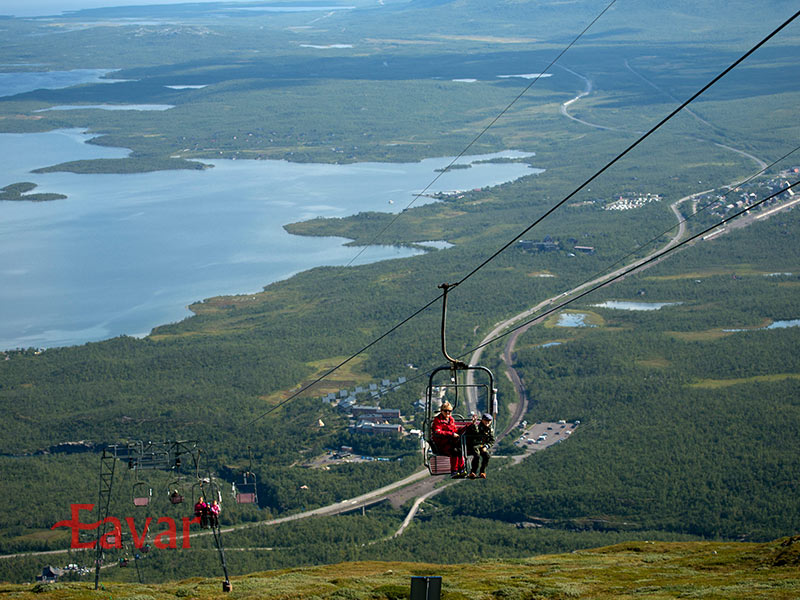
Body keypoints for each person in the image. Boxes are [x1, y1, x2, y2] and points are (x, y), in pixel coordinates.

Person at [431, 401, 466, 475]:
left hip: (451, 441)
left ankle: (461, 469)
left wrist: (463, 429)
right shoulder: (438, 420)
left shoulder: (451, 419)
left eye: (449, 411)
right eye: (446, 411)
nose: (448, 413)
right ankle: (454, 470)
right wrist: (451, 434)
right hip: (442, 443)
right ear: (441, 411)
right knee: (454, 451)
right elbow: (437, 432)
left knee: (459, 450)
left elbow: (455, 430)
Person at [464, 413, 495, 479]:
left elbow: (492, 440)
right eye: (485, 421)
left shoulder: (490, 430)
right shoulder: (479, 426)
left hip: (482, 445)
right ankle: (473, 472)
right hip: (474, 444)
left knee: (486, 456)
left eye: (489, 421)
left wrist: (486, 446)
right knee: (477, 455)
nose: (487, 422)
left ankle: (482, 472)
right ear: (482, 420)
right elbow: (476, 432)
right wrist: (474, 423)